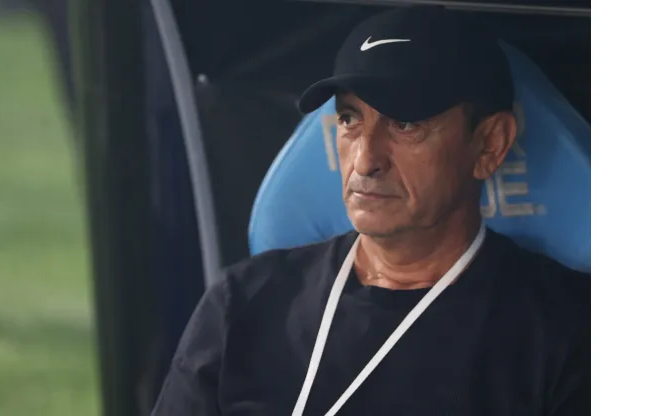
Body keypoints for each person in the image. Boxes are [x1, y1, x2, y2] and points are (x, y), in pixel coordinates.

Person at [151, 7, 589, 416]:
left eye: (405, 124)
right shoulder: (243, 304)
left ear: (490, 144)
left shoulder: (567, 330)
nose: (365, 160)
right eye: (349, 120)